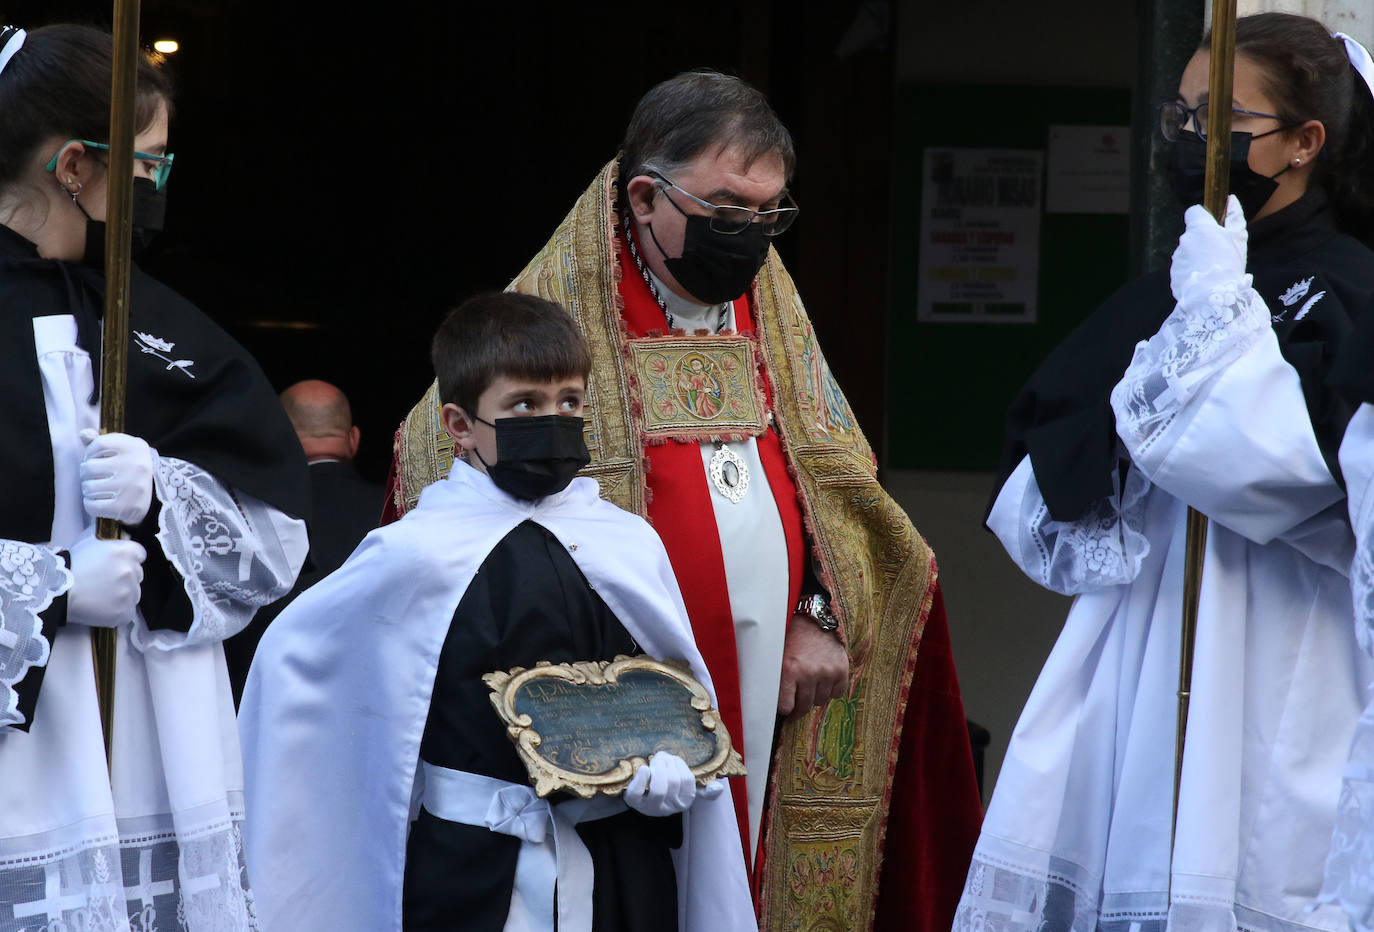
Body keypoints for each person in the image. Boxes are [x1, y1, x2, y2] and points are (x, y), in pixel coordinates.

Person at [384, 70, 982, 928]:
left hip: (777, 702)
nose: (752, 237)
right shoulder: (545, 332)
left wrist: (818, 611)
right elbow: (440, 503)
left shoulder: (769, 318)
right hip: (616, 727)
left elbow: (847, 499)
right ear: (643, 197)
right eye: (728, 210)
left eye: (772, 213)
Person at [955, 14, 1374, 932]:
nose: (1191, 139)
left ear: (1305, 142)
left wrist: (1218, 316)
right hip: (1146, 640)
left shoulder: (1350, 286)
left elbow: (1292, 469)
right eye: (1179, 116)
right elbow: (1048, 466)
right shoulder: (1171, 284)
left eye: (1220, 119)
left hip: (1281, 636)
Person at [239, 291, 755, 931]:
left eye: (569, 401)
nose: (553, 419)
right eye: (525, 405)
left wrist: (674, 780)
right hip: (470, 878)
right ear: (460, 425)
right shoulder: (415, 553)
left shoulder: (628, 543)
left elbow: (671, 695)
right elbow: (296, 668)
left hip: (621, 870)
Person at [0, 22, 309, 931]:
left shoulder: (151, 320)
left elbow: (270, 534)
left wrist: (164, 497)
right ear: (73, 166)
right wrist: (50, 586)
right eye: (147, 163)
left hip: (144, 733)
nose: (155, 185)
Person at [223, 378, 383, 703]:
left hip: (267, 705)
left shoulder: (240, 517)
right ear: (353, 438)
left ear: (279, 439)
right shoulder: (397, 511)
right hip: (373, 706)